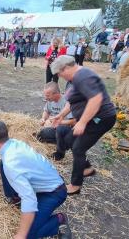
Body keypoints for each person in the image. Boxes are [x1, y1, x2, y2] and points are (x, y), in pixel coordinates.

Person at [0, 121, 72, 239]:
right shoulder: (14, 143)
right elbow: (24, 163)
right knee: (3, 164)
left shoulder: (10, 163)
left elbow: (29, 199)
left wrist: (21, 234)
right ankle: (15, 198)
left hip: (54, 193)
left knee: (29, 235)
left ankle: (59, 220)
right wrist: (1, 169)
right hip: (49, 181)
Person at [50, 55, 116, 195]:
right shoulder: (75, 79)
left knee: (78, 148)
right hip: (93, 119)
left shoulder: (83, 77)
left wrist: (82, 122)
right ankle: (87, 169)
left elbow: (96, 99)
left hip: (101, 119)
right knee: (70, 140)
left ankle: (75, 185)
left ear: (66, 68)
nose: (60, 77)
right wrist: (61, 115)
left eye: (60, 73)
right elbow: (71, 101)